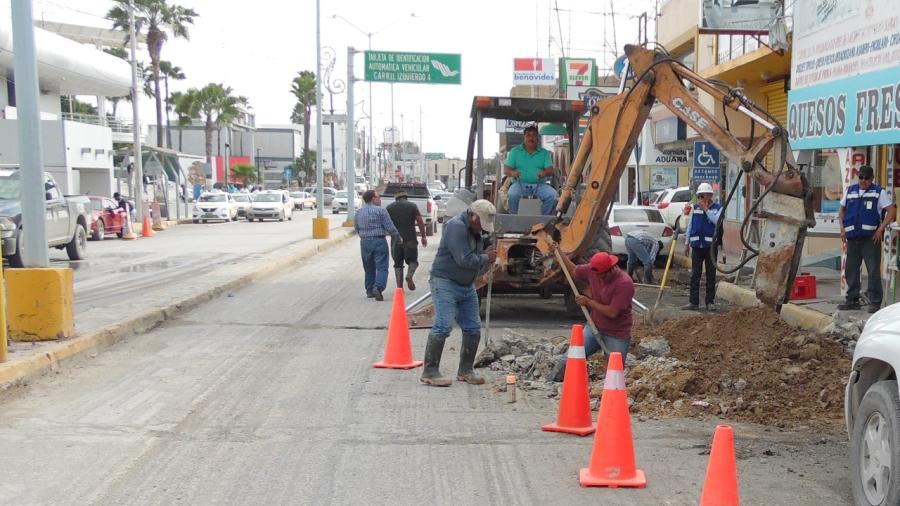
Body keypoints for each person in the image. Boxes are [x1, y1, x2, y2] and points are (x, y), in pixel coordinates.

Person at [420, 200, 498, 387]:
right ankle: (430, 370)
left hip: (465, 285)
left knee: (472, 327)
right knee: (443, 325)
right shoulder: (456, 227)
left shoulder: (474, 230)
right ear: (473, 216)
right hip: (445, 281)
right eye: (481, 224)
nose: (482, 229)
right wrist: (488, 257)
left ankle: (465, 370)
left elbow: (474, 253)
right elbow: (464, 259)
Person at [549, 249, 635, 382]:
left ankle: (608, 399)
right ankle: (551, 382)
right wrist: (559, 252)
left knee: (615, 372)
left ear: (611, 269)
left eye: (602, 276)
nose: (599, 278)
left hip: (617, 334)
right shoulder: (593, 270)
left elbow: (612, 312)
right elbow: (573, 270)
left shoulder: (624, 283)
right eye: (597, 275)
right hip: (594, 327)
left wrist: (588, 302)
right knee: (568, 359)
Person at [839, 165, 897, 313]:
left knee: (872, 271)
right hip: (853, 238)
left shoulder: (879, 192)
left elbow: (891, 211)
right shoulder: (851, 191)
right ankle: (852, 299)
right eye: (861, 177)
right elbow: (842, 209)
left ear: (872, 178)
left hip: (870, 239)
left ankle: (875, 302)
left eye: (866, 178)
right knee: (851, 270)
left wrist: (881, 228)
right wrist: (842, 228)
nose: (863, 181)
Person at [353, 190, 401, 301]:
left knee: (368, 267)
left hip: (365, 242)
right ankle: (378, 287)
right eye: (378, 197)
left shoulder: (359, 212)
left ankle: (369, 290)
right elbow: (390, 227)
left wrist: (364, 236)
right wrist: (397, 238)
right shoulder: (381, 211)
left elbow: (356, 228)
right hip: (379, 241)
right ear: (373, 198)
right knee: (382, 266)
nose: (380, 199)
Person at [682, 182, 722, 312]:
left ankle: (710, 302)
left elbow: (717, 221)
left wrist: (706, 209)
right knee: (695, 275)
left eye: (703, 196)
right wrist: (687, 243)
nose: (701, 198)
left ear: (709, 196)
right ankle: (693, 302)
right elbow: (690, 226)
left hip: (710, 247)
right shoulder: (695, 208)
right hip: (696, 246)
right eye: (700, 196)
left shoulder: (718, 208)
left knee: (711, 275)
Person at [504, 124, 558, 215]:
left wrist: (544, 173)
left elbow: (550, 170)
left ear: (537, 138)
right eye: (528, 135)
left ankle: (543, 221)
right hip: (519, 184)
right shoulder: (515, 151)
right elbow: (506, 170)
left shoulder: (544, 153)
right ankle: (515, 219)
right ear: (524, 137)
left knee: (553, 195)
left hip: (539, 185)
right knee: (512, 195)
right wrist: (513, 173)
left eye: (534, 135)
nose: (531, 138)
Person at [386, 191, 428, 291]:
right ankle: (409, 275)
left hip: (396, 240)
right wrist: (423, 236)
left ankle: (399, 287)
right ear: (406, 197)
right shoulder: (412, 206)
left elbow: (386, 223)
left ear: (396, 198)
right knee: (413, 261)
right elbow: (420, 221)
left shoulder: (389, 208)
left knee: (398, 264)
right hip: (410, 239)